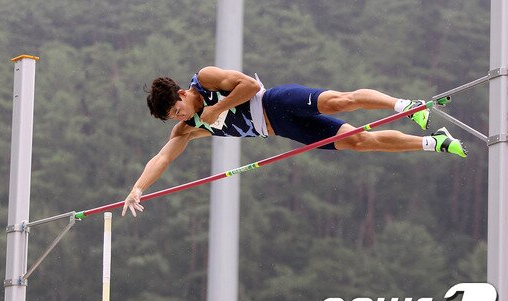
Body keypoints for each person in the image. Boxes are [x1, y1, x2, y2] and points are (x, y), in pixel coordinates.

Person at [122, 66, 466, 218]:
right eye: (174, 118)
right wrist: (138, 187)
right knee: (358, 142)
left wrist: (219, 107)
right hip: (284, 129)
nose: (181, 118)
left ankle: (404, 106)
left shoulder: (206, 79)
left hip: (276, 102)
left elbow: (251, 87)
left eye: (178, 110)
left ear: (183, 93)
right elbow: (162, 158)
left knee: (341, 101)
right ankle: (434, 142)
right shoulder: (186, 129)